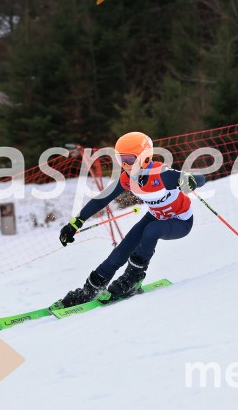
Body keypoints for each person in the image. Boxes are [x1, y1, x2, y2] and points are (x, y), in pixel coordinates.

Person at [55, 131, 206, 308]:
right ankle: (91, 289)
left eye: (130, 159)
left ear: (145, 158)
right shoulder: (127, 178)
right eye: (121, 160)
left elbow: (200, 178)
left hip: (180, 221)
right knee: (120, 252)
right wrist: (76, 223)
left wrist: (191, 179)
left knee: (152, 231)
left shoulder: (162, 174)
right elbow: (101, 199)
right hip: (154, 217)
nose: (125, 164)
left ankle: (133, 278)